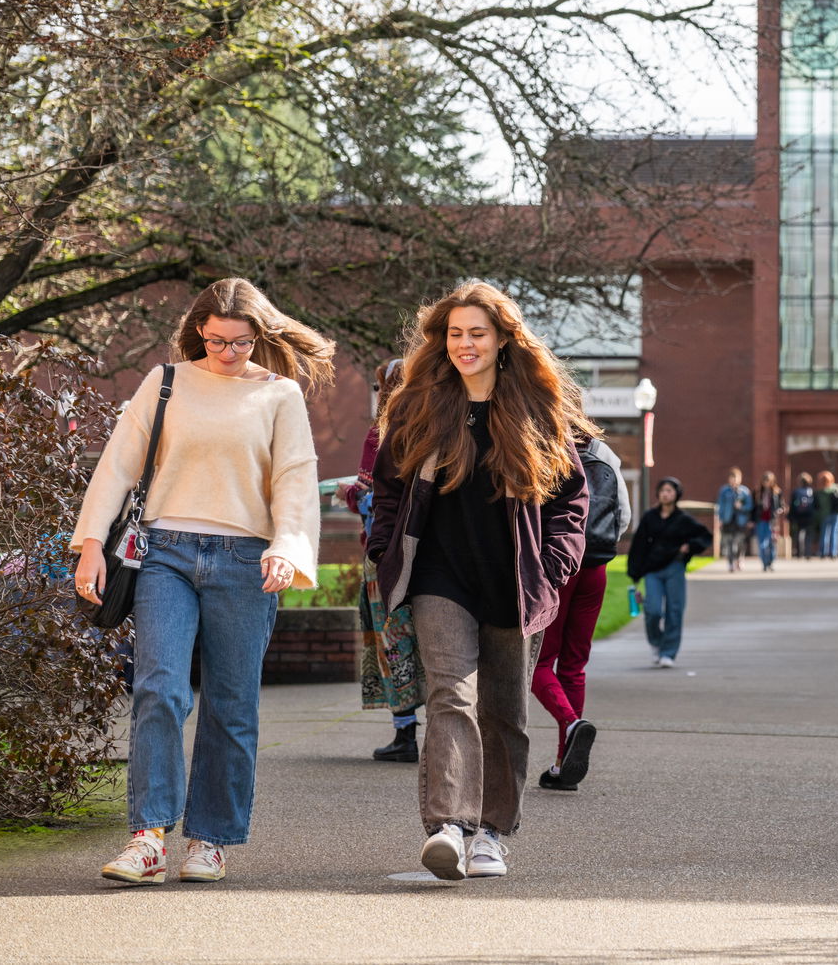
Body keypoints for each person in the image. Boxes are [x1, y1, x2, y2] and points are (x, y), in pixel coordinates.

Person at [70, 277, 333, 886]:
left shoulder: (279, 394)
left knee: (231, 704)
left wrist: (287, 549)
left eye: (239, 343)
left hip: (246, 560)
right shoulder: (164, 383)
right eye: (215, 341)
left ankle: (210, 839)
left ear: (258, 338)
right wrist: (90, 545)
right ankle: (148, 837)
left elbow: (295, 478)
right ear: (198, 332)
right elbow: (117, 466)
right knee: (159, 687)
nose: (226, 353)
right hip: (164, 552)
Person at [368, 280, 588, 882]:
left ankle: (493, 832)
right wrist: (383, 546)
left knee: (505, 712)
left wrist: (555, 565)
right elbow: (386, 487)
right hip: (440, 577)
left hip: (516, 581)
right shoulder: (419, 405)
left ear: (501, 341)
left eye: (477, 334)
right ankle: (448, 826)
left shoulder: (536, 409)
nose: (464, 344)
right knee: (450, 697)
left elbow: (572, 499)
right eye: (455, 333)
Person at [340, 358, 426, 763]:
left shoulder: (381, 435)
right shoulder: (436, 428)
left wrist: (350, 494)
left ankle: (405, 733)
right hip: (431, 554)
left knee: (393, 640)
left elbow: (368, 494)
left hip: (385, 555)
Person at [534, 433, 630, 791]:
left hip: (560, 564)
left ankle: (571, 722)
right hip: (597, 567)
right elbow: (624, 514)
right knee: (574, 666)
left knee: (539, 662)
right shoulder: (604, 451)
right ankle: (562, 765)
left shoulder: (546, 443)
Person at [626, 477, 711, 668]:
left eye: (670, 490)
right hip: (653, 570)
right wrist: (635, 571)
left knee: (674, 610)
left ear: (676, 494)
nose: (666, 494)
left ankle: (668, 652)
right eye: (662, 490)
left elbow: (705, 536)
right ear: (658, 494)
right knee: (653, 610)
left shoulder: (683, 519)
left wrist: (689, 547)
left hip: (674, 567)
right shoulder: (650, 517)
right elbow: (638, 545)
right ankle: (656, 643)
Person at [715, 467, 753, 572]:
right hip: (728, 519)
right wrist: (720, 519)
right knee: (729, 542)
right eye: (732, 478)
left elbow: (749, 506)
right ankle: (730, 563)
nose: (734, 480)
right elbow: (720, 505)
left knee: (740, 542)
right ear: (729, 479)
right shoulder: (724, 491)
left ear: (740, 479)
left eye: (736, 478)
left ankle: (739, 559)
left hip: (740, 520)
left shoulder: (744, 491)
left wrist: (741, 507)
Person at [753, 471, 783, 572]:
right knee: (762, 543)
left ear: (772, 482)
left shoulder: (777, 492)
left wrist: (779, 510)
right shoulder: (757, 492)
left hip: (772, 521)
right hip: (761, 520)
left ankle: (771, 562)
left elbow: (781, 505)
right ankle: (764, 563)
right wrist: (751, 520)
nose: (766, 483)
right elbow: (753, 508)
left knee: (771, 543)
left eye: (768, 481)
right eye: (765, 481)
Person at [814, 470, 838, 558]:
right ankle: (833, 553)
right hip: (836, 514)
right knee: (834, 533)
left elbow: (819, 505)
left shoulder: (820, 491)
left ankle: (823, 552)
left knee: (824, 533)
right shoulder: (836, 488)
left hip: (824, 514)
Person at [788, 472, 816, 559]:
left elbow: (792, 505)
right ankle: (808, 553)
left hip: (798, 515)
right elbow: (815, 505)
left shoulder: (796, 492)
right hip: (809, 515)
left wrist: (790, 516)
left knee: (799, 533)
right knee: (808, 534)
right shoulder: (811, 492)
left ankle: (799, 553)